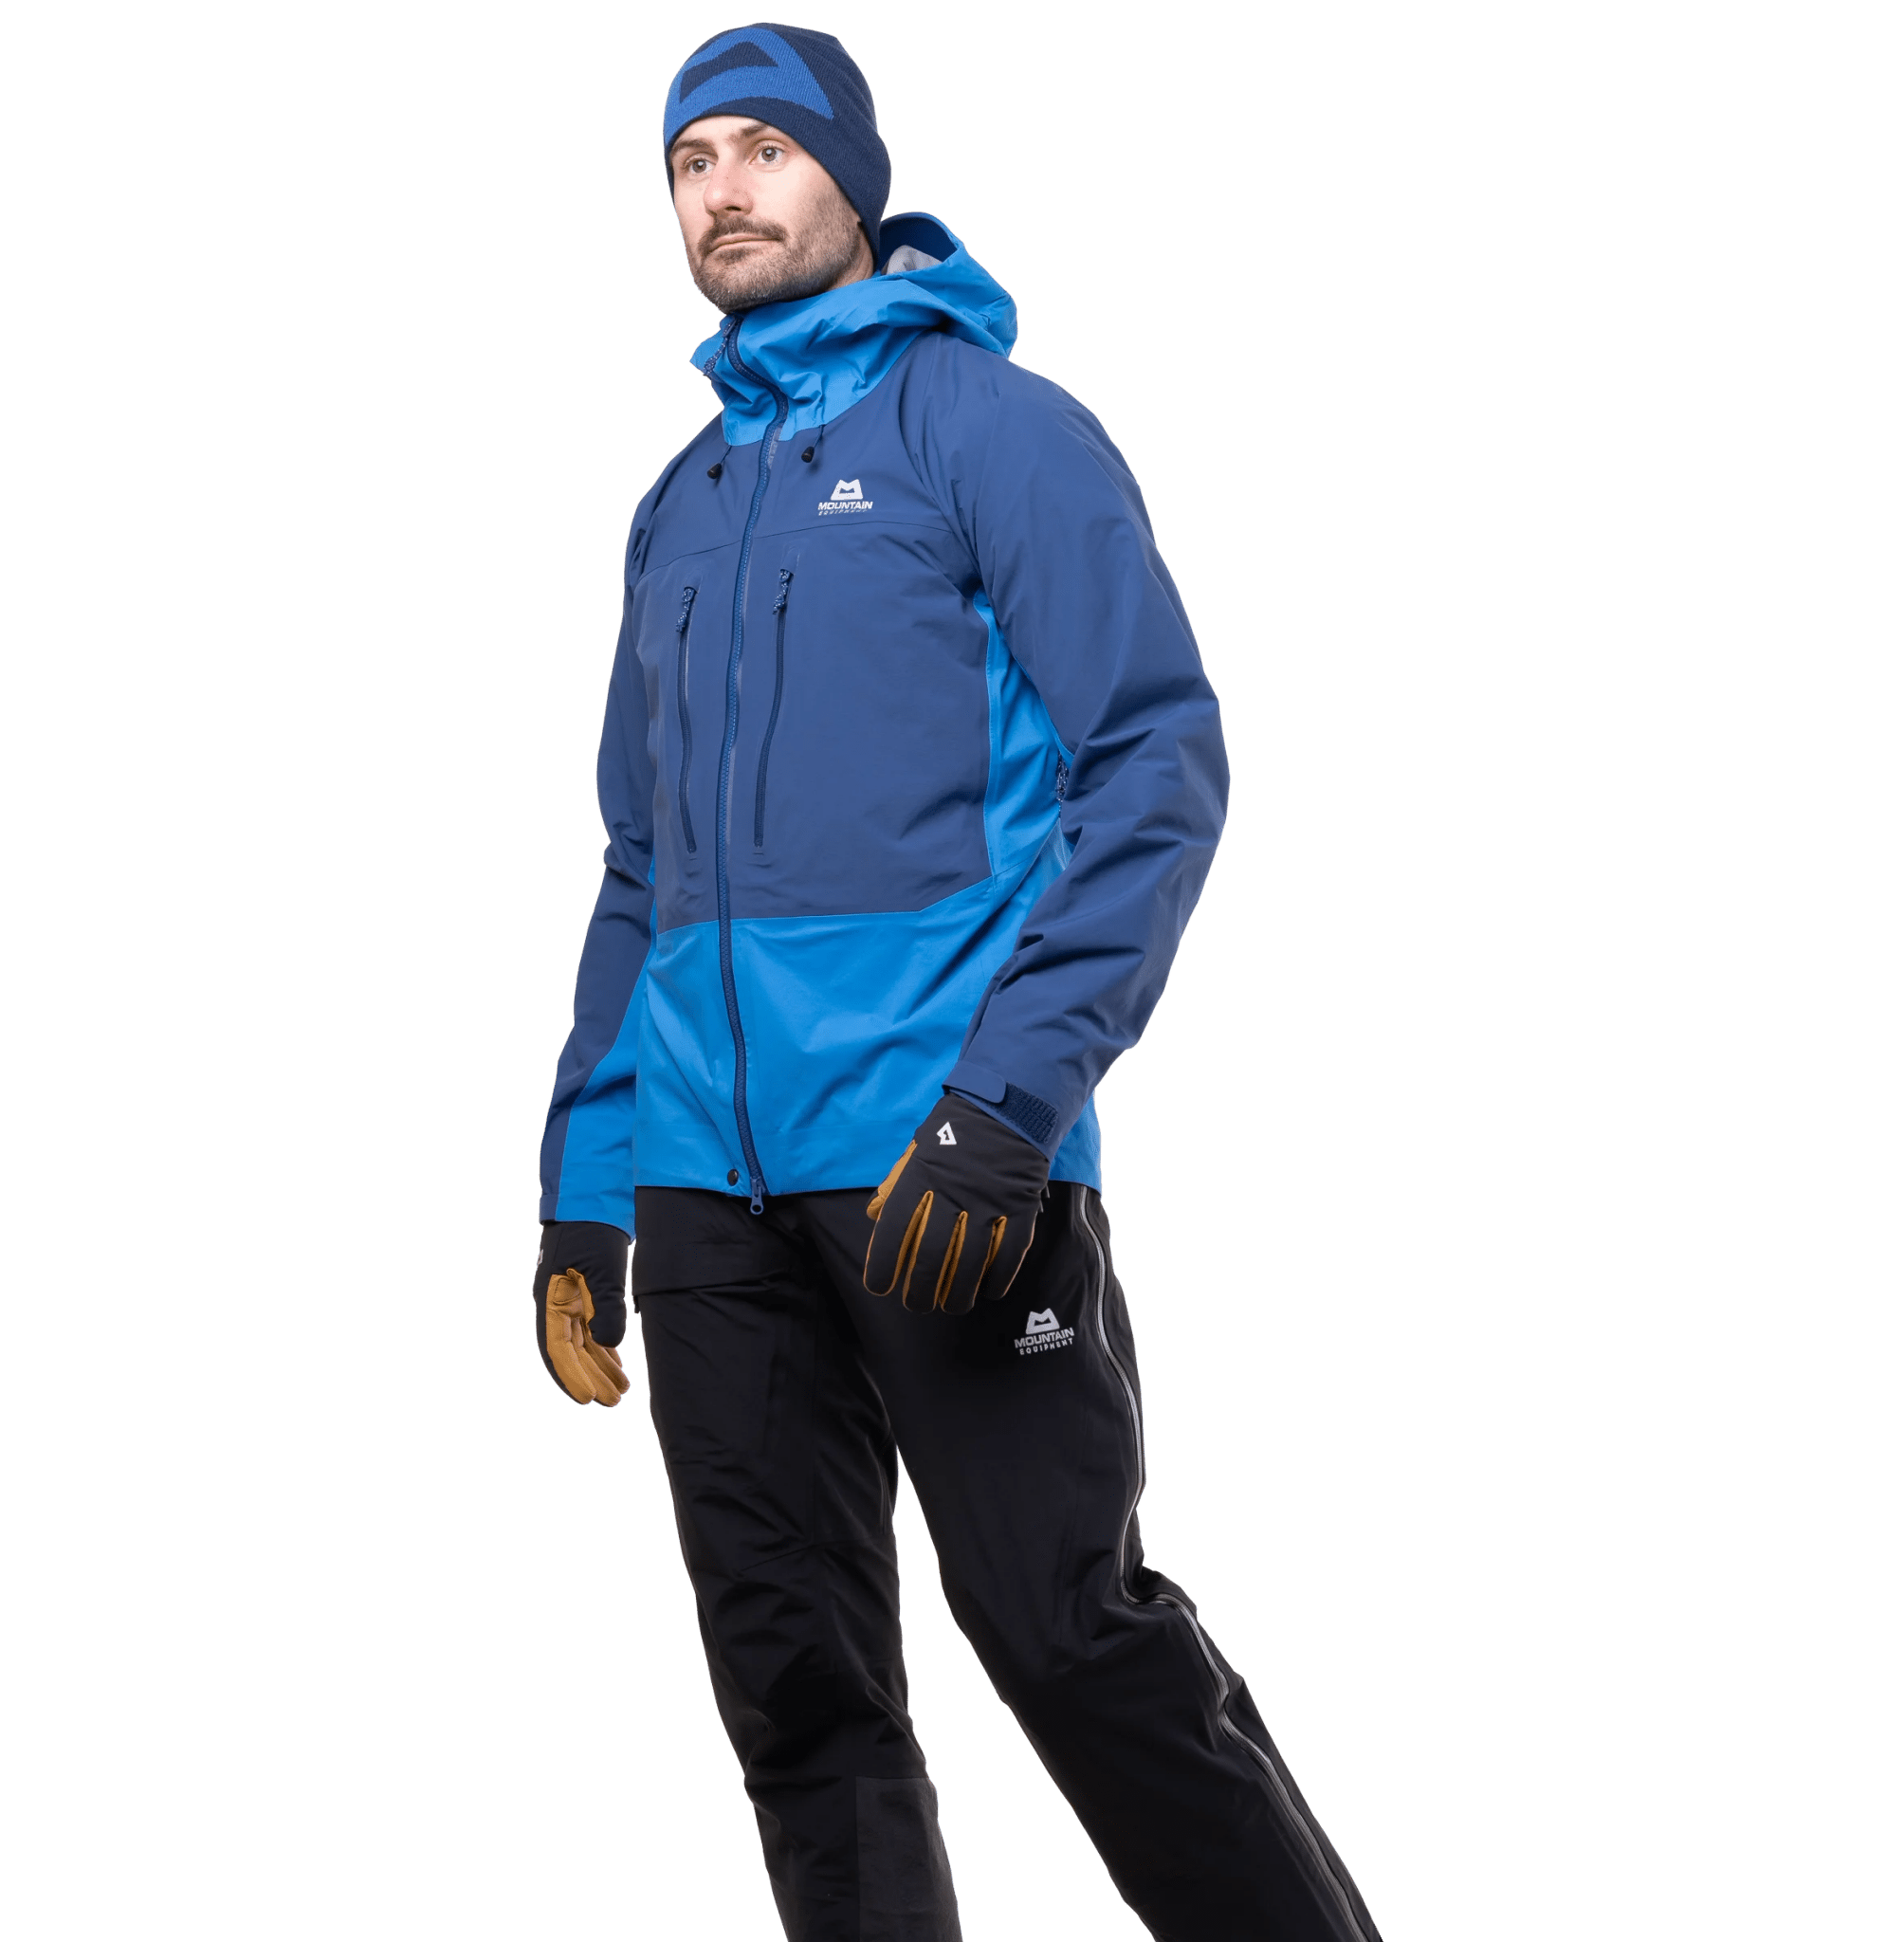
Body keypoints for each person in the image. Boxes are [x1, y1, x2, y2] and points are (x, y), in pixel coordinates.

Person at [531, 24, 1383, 1941]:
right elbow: (641, 872)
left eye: (762, 150)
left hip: (942, 1156)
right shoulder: (678, 506)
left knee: (1067, 1631)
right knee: (797, 1689)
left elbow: (1155, 767)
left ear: (851, 175)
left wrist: (1008, 1101)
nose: (722, 193)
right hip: (709, 1192)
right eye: (687, 164)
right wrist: (588, 1182)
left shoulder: (995, 432)